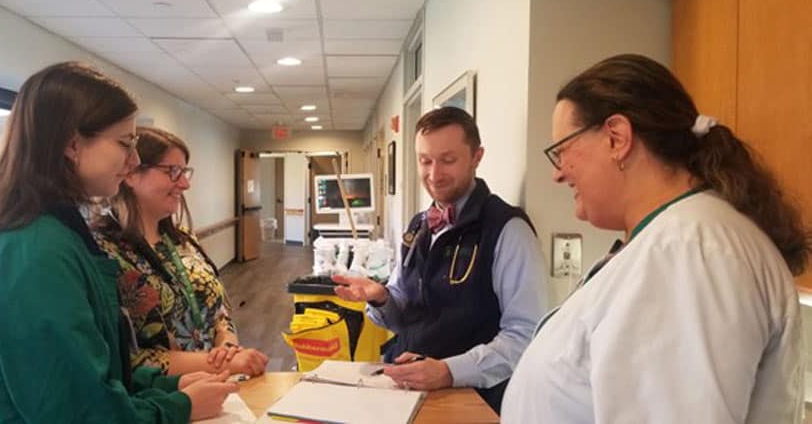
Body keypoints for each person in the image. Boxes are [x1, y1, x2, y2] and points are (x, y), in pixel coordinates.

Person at [502, 54, 810, 423]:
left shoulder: (689, 253)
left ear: (617, 138)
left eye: (562, 150)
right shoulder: (674, 241)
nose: (557, 174)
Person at [0, 62, 237, 423]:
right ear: (71, 144)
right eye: (124, 143)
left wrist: (167, 387)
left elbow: (91, 368)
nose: (132, 160)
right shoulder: (33, 250)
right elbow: (75, 411)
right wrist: (180, 407)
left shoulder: (57, 233)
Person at [332, 106, 549, 412]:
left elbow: (526, 335)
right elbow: (405, 318)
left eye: (448, 160)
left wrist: (449, 371)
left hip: (470, 402)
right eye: (425, 161)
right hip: (405, 391)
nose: (434, 175)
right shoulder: (418, 225)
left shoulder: (507, 230)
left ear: (477, 157)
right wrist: (381, 298)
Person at [92, 126, 269, 377]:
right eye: (172, 171)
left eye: (184, 171)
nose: (184, 184)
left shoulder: (182, 239)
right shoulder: (101, 253)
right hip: (165, 401)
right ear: (131, 173)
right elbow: (121, 358)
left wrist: (227, 347)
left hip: (216, 386)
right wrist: (219, 363)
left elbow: (218, 309)